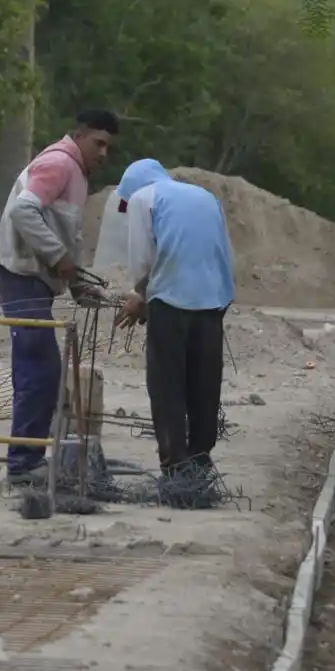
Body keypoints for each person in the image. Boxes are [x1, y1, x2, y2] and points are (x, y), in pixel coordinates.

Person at [0, 109, 119, 484]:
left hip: (35, 278)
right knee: (41, 368)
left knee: (35, 368)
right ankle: (24, 464)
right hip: (20, 275)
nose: (103, 153)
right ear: (79, 135)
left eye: (108, 147)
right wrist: (58, 256)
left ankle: (27, 457)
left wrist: (78, 283)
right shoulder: (59, 164)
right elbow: (23, 212)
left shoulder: (77, 174)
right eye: (98, 143)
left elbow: (67, 234)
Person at [113, 159, 235, 478]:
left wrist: (141, 295)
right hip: (213, 301)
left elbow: (142, 259)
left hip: (170, 302)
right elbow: (224, 251)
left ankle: (175, 467)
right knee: (204, 384)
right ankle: (200, 460)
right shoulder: (205, 196)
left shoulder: (143, 198)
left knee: (167, 385)